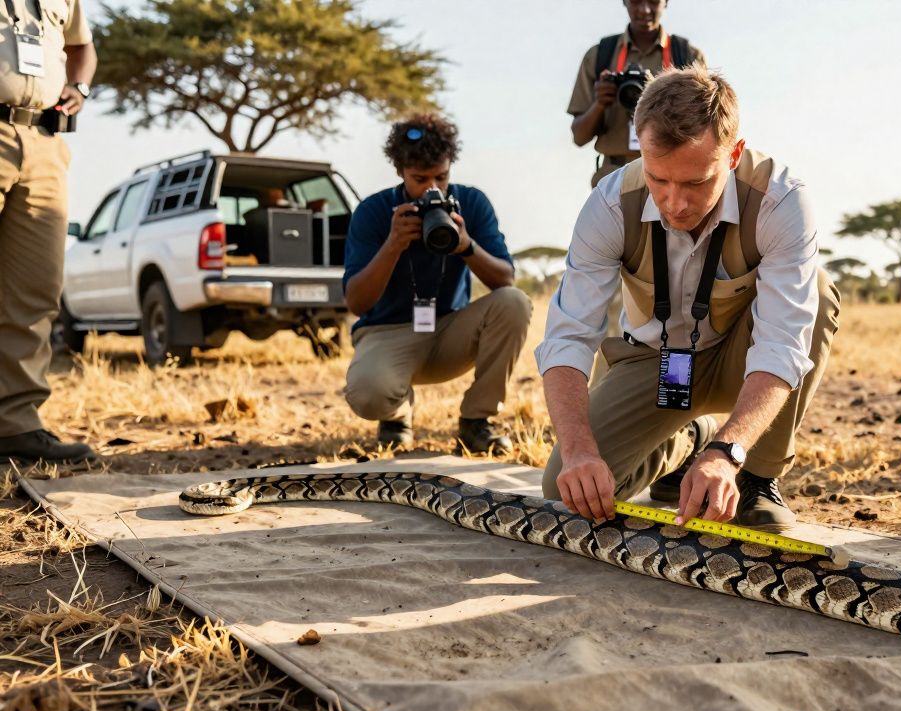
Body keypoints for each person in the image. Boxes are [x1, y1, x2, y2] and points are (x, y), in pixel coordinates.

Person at [537, 67, 840, 531]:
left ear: (734, 154)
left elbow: (781, 344)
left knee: (818, 290)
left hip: (744, 358)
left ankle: (758, 478)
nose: (675, 203)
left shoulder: (781, 201)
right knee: (567, 487)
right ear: (640, 146)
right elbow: (569, 334)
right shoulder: (611, 203)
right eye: (659, 180)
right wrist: (578, 450)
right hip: (652, 360)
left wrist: (729, 452)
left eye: (696, 183)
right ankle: (688, 441)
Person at [342, 113, 532, 455]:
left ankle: (476, 422)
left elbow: (505, 279)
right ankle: (397, 415)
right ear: (400, 172)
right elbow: (357, 303)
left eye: (441, 177)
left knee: (514, 302)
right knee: (368, 394)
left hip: (448, 332)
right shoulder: (373, 211)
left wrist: (466, 246)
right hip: (388, 331)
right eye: (419, 179)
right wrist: (392, 245)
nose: (432, 189)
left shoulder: (471, 203)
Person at [0, 0, 97, 465]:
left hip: (44, 141)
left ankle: (15, 424)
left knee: (34, 289)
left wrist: (79, 85)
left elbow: (82, 48)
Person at [568, 0, 705, 188]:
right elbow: (579, 137)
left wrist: (659, 99)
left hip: (670, 177)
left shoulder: (687, 58)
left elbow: (703, 132)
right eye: (636, 1)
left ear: (666, 2)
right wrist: (600, 104)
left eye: (653, 1)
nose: (645, 10)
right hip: (612, 176)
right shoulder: (600, 56)